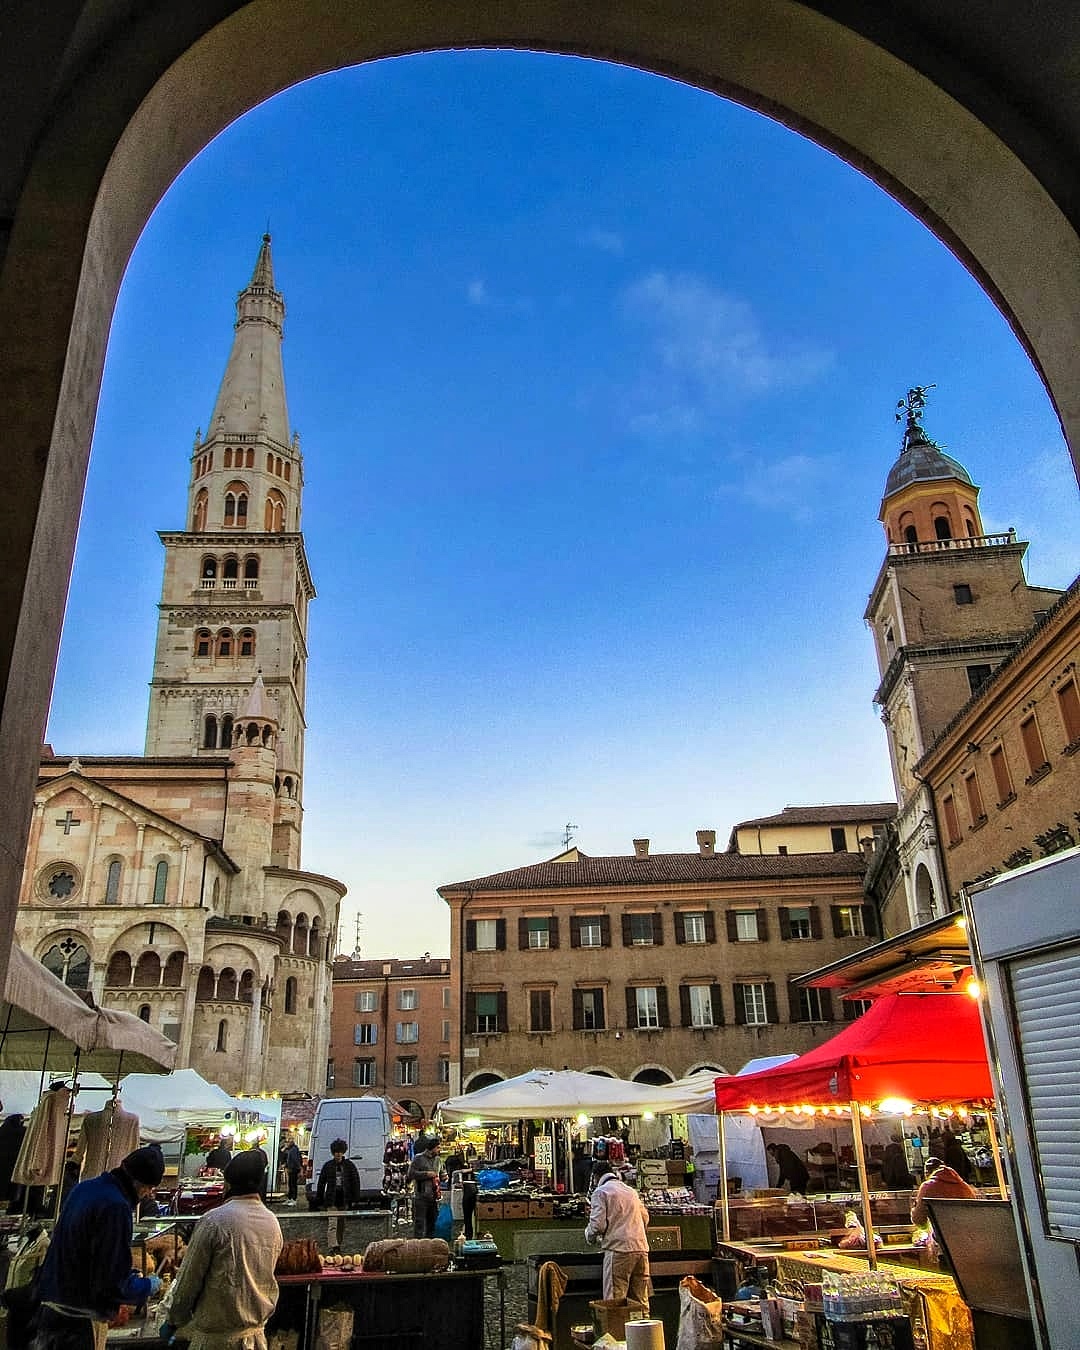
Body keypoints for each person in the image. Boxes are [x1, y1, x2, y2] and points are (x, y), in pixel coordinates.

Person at [34, 1145, 165, 1350]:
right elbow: (111, 1283)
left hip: (49, 1311)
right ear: (138, 1184)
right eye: (149, 1188)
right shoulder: (116, 1207)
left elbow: (85, 1252)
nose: (149, 1194)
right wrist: (148, 1286)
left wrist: (127, 1273)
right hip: (77, 1322)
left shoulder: (84, 1188)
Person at [160, 1150, 283, 1350]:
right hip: (256, 1339)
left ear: (227, 1184)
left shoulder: (215, 1220)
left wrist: (175, 1319)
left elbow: (189, 1279)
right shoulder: (272, 1222)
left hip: (216, 1341)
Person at [584, 1162, 650, 1314]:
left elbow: (597, 1225)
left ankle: (618, 1335)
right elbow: (645, 1217)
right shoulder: (630, 1191)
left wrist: (589, 1236)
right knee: (640, 1300)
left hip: (619, 1250)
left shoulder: (601, 1192)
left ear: (595, 1177)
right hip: (640, 1249)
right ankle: (645, 1335)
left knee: (616, 1300)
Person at [315, 1139, 362, 1253]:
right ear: (333, 1152)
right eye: (336, 1152)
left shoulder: (349, 1165)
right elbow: (321, 1183)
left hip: (344, 1199)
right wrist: (319, 1199)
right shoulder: (328, 1166)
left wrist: (356, 1197)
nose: (338, 1154)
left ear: (343, 1152)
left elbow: (355, 1181)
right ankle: (334, 1246)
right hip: (331, 1200)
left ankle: (338, 1244)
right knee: (332, 1224)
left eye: (340, 1152)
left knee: (341, 1224)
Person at [910, 1155, 978, 1226]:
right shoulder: (964, 1186)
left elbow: (919, 1220)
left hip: (942, 1234)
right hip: (969, 1231)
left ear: (927, 1173)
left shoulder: (927, 1186)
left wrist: (913, 1209)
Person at [407, 1136, 440, 1238]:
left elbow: (440, 1172)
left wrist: (443, 1176)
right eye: (438, 1148)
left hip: (434, 1196)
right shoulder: (418, 1158)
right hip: (421, 1196)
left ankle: (429, 1244)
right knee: (420, 1222)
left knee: (432, 1221)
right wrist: (426, 1174)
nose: (439, 1150)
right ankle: (418, 1244)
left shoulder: (437, 1160)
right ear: (432, 1148)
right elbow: (411, 1174)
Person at [280, 1138, 303, 1207]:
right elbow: (288, 1159)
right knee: (290, 1184)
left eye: (288, 1142)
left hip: (294, 1170)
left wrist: (300, 1169)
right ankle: (290, 1198)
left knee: (293, 1185)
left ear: (291, 1143)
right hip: (291, 1169)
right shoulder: (291, 1150)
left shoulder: (294, 1150)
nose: (286, 1144)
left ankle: (294, 1199)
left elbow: (296, 1160)